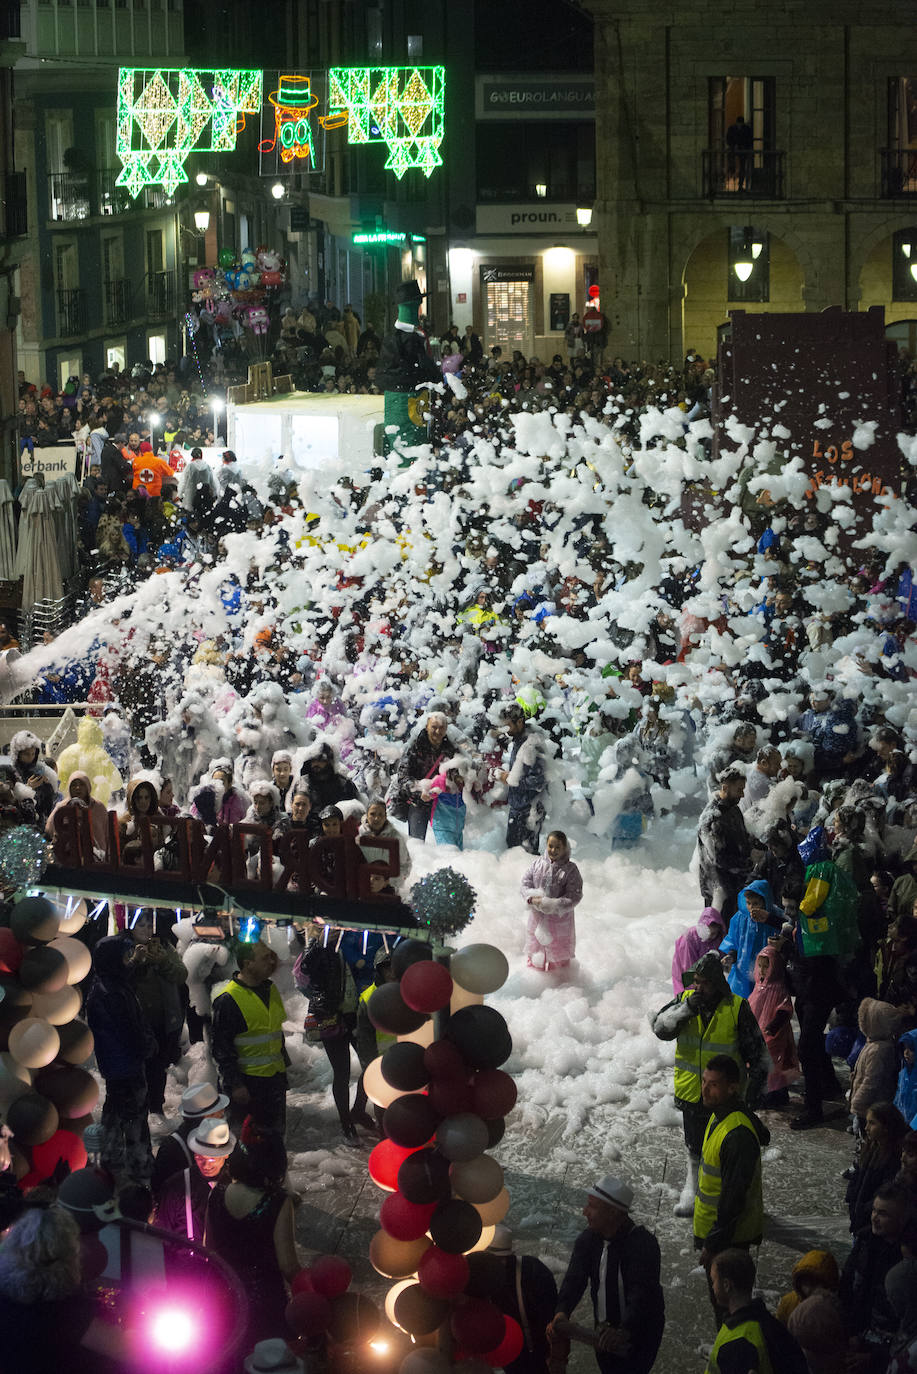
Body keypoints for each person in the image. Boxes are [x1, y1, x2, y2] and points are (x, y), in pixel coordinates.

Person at [652, 952, 768, 1217]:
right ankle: (693, 1193)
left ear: (717, 982)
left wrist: (752, 1094)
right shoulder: (684, 1002)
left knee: (725, 1149)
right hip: (692, 1091)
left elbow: (757, 1054)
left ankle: (728, 1200)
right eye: (696, 981)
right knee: (694, 1147)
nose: (698, 987)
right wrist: (684, 1011)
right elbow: (660, 1030)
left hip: (726, 1097)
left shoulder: (736, 1008)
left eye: (704, 982)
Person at [550, 1174, 664, 1374]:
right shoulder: (588, 1240)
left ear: (613, 1212)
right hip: (603, 1331)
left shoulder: (642, 1245)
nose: (585, 1212)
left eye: (592, 1207)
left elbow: (641, 1294)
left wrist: (624, 1330)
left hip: (640, 1333)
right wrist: (562, 1311)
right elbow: (574, 1280)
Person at [204, 1117, 300, 1349]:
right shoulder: (278, 1202)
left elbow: (207, 1247)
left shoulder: (216, 1193)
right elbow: (288, 1265)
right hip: (265, 1301)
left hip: (224, 1297)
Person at [0, 1204, 128, 1372]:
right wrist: (132, 1317)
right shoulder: (67, 1311)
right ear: (70, 1256)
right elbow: (126, 1350)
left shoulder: (5, 1296)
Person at [693, 1055, 770, 1314]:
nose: (704, 1090)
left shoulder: (736, 1135)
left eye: (713, 1084)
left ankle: (733, 1350)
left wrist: (712, 1244)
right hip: (720, 1232)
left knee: (728, 1305)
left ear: (733, 1087)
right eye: (704, 1081)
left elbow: (733, 1198)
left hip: (729, 1239)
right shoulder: (721, 1115)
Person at [85, 933, 155, 1184]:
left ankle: (110, 1161)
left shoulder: (105, 984)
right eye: (124, 957)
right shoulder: (113, 993)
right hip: (127, 1066)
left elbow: (122, 977)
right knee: (135, 1115)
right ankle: (141, 1167)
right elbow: (130, 1030)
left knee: (114, 1112)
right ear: (113, 961)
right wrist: (148, 1046)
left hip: (115, 1066)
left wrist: (136, 961)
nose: (127, 960)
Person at [211, 939, 289, 1136]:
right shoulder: (228, 1000)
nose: (271, 962)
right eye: (264, 958)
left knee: (274, 1143)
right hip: (248, 1086)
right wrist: (235, 1085)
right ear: (247, 963)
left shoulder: (270, 990)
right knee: (246, 1147)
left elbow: (275, 1035)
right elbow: (221, 1049)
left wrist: (282, 1074)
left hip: (273, 1082)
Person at [840, 1182, 914, 1367]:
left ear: (902, 1219)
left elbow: (907, 1327)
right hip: (857, 1333)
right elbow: (847, 1285)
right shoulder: (865, 1240)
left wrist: (874, 1357)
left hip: (886, 1352)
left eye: (883, 1213)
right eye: (874, 1210)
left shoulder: (908, 1265)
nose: (874, 1218)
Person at [706, 1246, 807, 1372]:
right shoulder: (770, 1323)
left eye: (714, 1281)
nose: (713, 1287)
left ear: (726, 1285)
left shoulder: (737, 1344)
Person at [485, 1224, 558, 1374]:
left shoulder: (534, 1273)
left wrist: (557, 1358)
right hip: (509, 1354)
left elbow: (553, 1320)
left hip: (539, 1352)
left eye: (502, 1260)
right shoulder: (482, 1278)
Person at [155, 1116, 234, 1243]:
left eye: (212, 1159)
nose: (206, 1165)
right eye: (199, 1158)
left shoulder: (237, 1187)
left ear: (225, 1154)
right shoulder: (174, 1188)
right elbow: (161, 1237)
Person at [150, 1080, 230, 1199]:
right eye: (218, 1112)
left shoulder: (221, 1136)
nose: (223, 1112)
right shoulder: (171, 1149)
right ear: (207, 1116)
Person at [520, 830, 583, 971]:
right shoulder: (537, 864)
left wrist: (555, 905)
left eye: (558, 847)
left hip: (560, 923)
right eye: (550, 846)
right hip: (537, 920)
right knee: (536, 956)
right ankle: (536, 984)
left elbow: (575, 895)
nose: (553, 850)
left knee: (558, 959)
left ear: (564, 848)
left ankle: (559, 985)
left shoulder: (571, 870)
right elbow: (525, 883)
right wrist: (531, 898)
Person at [696, 768, 752, 924]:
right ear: (725, 787)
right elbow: (719, 858)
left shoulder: (734, 809)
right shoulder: (712, 818)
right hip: (719, 889)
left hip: (737, 884)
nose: (742, 795)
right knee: (719, 935)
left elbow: (743, 839)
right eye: (739, 790)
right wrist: (748, 864)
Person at [718, 879, 784, 998]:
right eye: (748, 903)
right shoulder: (739, 919)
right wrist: (731, 956)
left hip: (766, 973)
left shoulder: (776, 917)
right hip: (743, 975)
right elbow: (734, 942)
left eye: (755, 903)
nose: (751, 907)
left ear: (765, 901)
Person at [499, 702, 547, 854]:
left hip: (529, 810)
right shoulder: (519, 741)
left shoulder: (532, 744)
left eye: (508, 726)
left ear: (519, 722)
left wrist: (510, 778)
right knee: (513, 855)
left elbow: (538, 781)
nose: (506, 730)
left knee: (526, 858)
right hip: (518, 807)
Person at [671, 907, 726, 994]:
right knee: (687, 996)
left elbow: (721, 957)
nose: (711, 937)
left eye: (714, 934)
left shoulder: (718, 938)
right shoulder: (690, 938)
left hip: (703, 974)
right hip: (685, 971)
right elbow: (688, 968)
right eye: (709, 933)